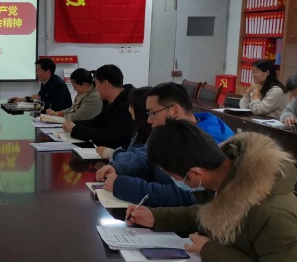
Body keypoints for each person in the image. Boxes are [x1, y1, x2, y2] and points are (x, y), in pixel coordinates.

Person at [127, 119, 297, 262]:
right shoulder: (228, 175)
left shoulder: (271, 216)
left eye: (174, 177)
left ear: (195, 174)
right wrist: (156, 217)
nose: (176, 182)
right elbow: (208, 214)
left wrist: (210, 251)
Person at [96, 82, 234, 207]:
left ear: (175, 110)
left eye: (152, 113)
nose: (149, 120)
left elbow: (186, 196)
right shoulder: (172, 130)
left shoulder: (203, 141)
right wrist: (120, 169)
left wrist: (125, 186)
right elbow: (150, 162)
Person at [62, 64, 135, 149]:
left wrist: (75, 129)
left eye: (96, 84)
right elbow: (96, 122)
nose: (95, 88)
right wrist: (73, 124)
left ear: (105, 84)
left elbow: (108, 137)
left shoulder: (128, 105)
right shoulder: (110, 100)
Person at [95, 86, 151, 160]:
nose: (129, 109)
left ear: (138, 108)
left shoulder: (151, 133)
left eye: (131, 105)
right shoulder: (140, 129)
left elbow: (137, 160)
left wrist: (111, 154)